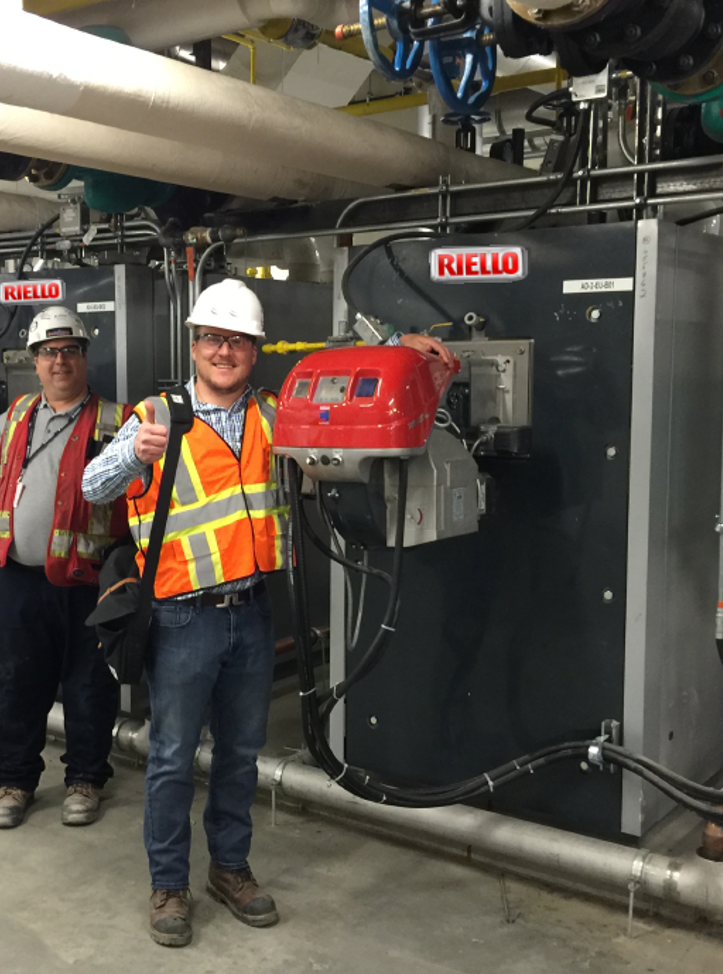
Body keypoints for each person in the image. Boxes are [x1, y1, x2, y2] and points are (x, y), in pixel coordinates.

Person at [82, 278, 457, 946]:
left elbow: (342, 403)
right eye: (213, 339)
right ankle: (169, 885)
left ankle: (229, 868)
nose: (224, 351)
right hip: (182, 618)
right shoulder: (156, 418)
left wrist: (400, 354)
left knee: (240, 754)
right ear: (195, 345)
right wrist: (129, 456)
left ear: (254, 351)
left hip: (252, 614)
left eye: (238, 342)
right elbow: (91, 485)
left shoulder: (273, 417)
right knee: (171, 758)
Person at [0, 306, 126, 830]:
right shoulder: (19, 418)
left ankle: (85, 780)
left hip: (88, 582)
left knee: (88, 686)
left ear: (84, 357)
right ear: (34, 362)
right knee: (16, 684)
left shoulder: (118, 423)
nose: (60, 362)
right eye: (49, 353)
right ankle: (15, 781)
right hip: (20, 579)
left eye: (70, 351)